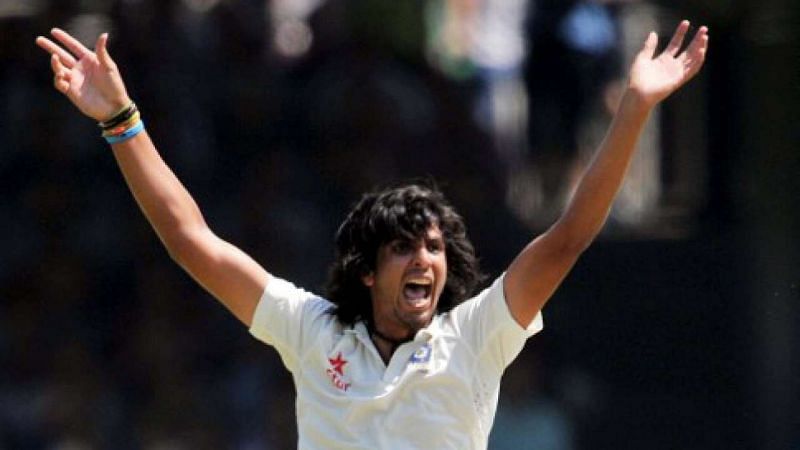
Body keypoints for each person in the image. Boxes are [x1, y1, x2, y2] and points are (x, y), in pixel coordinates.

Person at [36, 19, 708, 449]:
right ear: (366, 269)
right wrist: (122, 120)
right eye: (403, 246)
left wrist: (635, 109)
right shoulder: (312, 329)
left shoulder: (476, 337)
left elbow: (566, 239)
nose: (425, 259)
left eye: (436, 248)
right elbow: (190, 239)